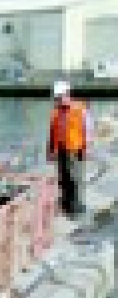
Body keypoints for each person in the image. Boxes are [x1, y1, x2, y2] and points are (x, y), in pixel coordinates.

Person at [48, 80, 87, 217]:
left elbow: (88, 129)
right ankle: (65, 206)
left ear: (67, 94)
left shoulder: (80, 109)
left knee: (74, 178)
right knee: (63, 178)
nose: (58, 100)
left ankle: (76, 208)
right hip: (61, 149)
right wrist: (50, 150)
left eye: (60, 97)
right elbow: (52, 132)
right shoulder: (56, 112)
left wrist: (85, 148)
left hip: (75, 148)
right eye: (57, 98)